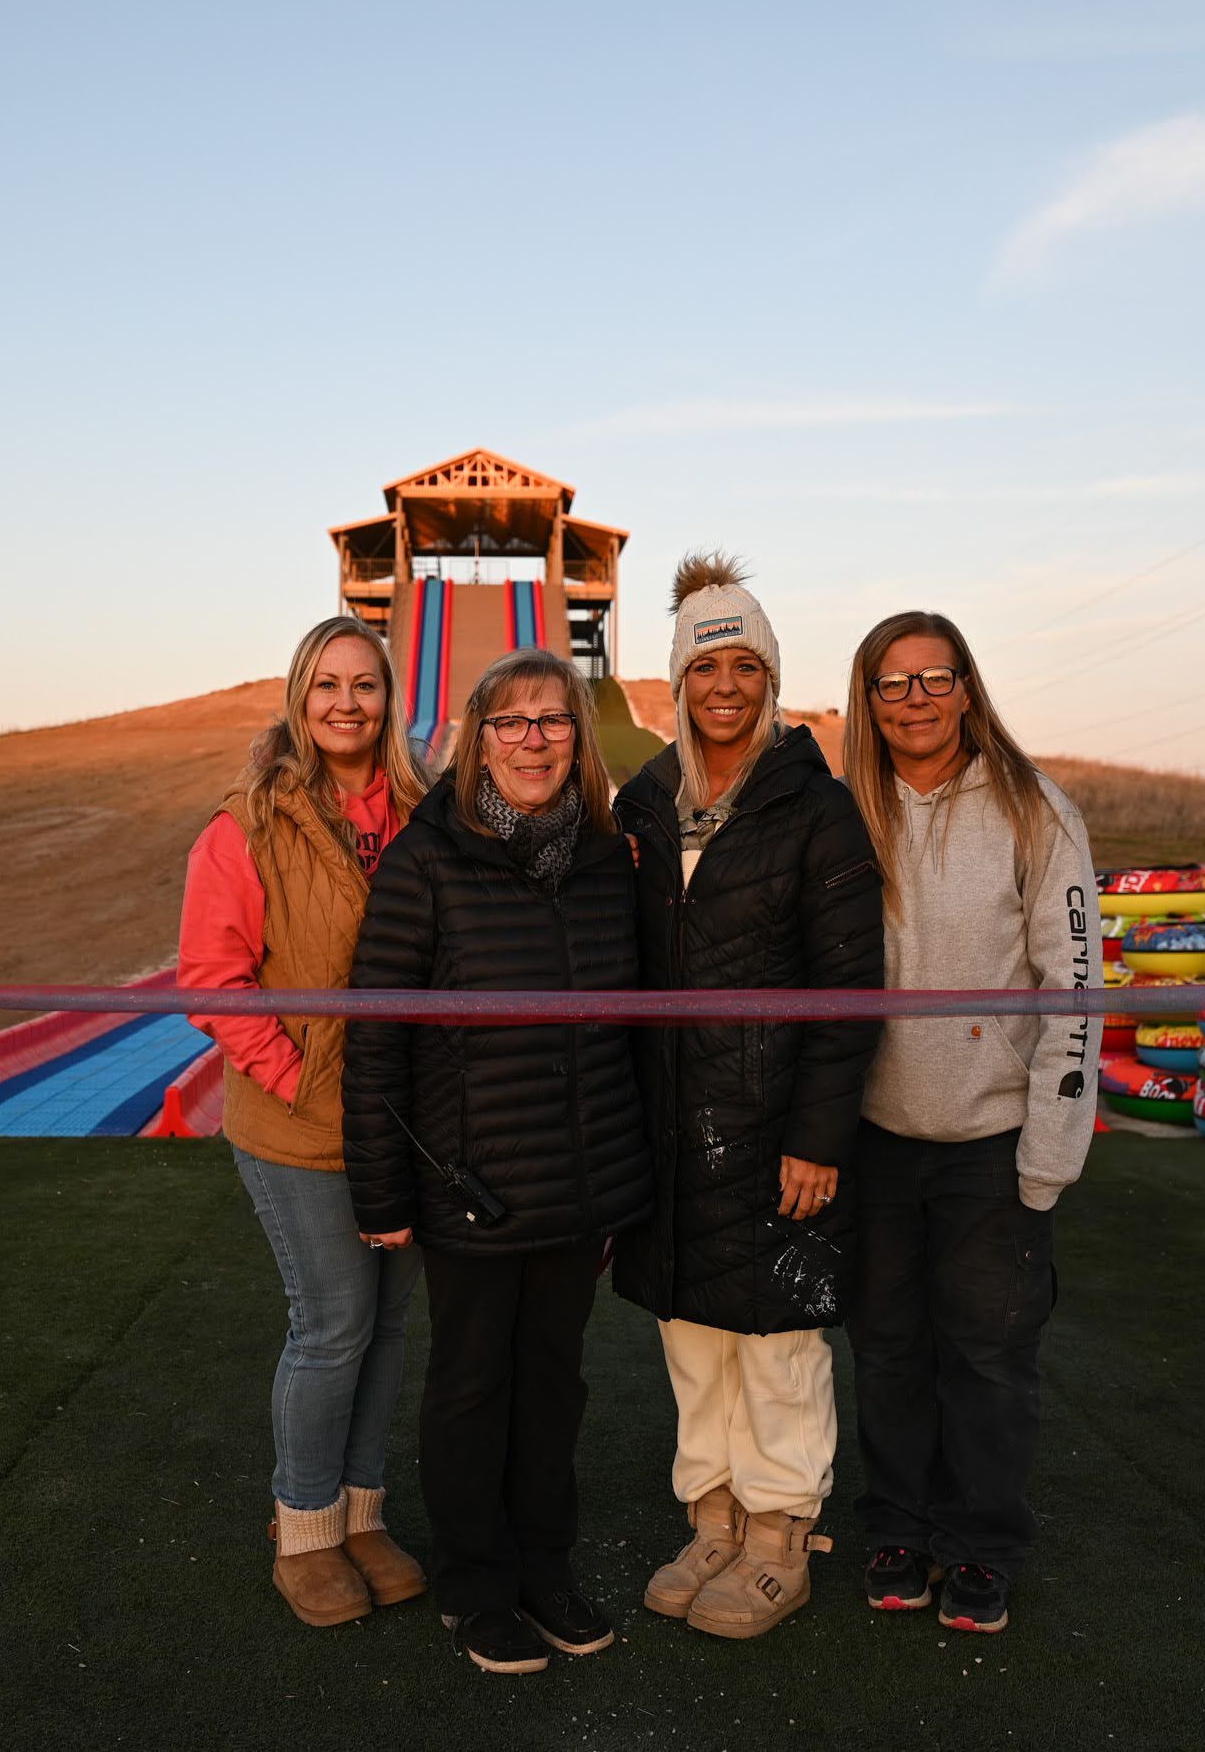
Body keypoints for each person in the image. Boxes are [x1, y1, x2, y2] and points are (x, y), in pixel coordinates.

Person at [342, 646, 653, 1676]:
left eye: (551, 721)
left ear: (579, 737)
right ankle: (474, 1585)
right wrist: (381, 1187)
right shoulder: (427, 858)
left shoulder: (607, 859)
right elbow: (377, 1036)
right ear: (475, 740)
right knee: (472, 1384)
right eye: (508, 722)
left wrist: (622, 1176)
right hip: (470, 1185)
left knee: (553, 1383)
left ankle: (542, 1564)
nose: (531, 740)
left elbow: (627, 1030)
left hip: (577, 1179)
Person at [611, 554, 884, 1641]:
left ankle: (778, 1531)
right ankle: (710, 1515)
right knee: (689, 1332)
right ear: (674, 681)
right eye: (703, 664)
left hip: (774, 1126)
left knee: (775, 1335)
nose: (723, 683)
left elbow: (848, 986)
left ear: (768, 678)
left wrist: (818, 1135)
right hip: (669, 1126)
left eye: (744, 663)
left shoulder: (816, 810)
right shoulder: (638, 805)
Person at [841, 609, 1098, 1636]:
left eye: (931, 679)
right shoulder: (843, 810)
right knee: (888, 1347)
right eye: (891, 684)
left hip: (991, 1139)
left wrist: (1048, 1152)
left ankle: (981, 1545)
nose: (913, 700)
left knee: (988, 1358)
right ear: (866, 699)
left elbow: (1073, 985)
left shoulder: (1034, 809)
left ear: (964, 687)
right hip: (873, 1135)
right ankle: (897, 1529)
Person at [176, 615, 431, 1629]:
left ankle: (364, 1513)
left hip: (408, 1124)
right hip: (300, 1124)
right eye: (326, 684)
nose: (344, 704)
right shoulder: (244, 825)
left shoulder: (423, 812)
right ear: (297, 695)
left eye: (364, 685)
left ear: (387, 699)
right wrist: (293, 1079)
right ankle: (307, 1526)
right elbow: (213, 980)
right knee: (332, 1327)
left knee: (389, 1326)